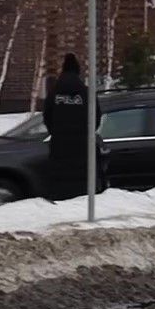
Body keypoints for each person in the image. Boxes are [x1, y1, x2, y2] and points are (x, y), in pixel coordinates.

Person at [43, 53, 91, 200]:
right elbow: (95, 116)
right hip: (82, 147)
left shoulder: (54, 92)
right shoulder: (85, 92)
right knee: (80, 187)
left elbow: (47, 115)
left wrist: (56, 132)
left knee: (60, 184)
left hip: (59, 145)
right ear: (78, 70)